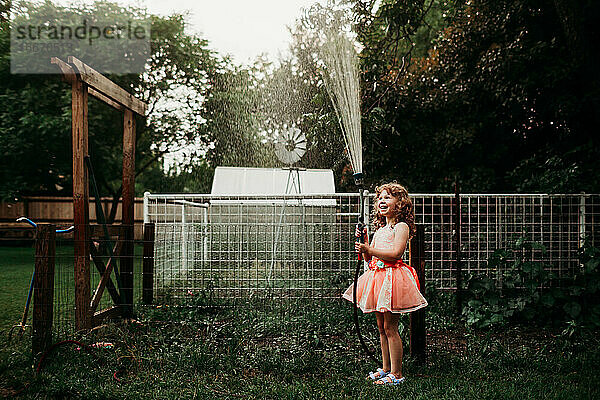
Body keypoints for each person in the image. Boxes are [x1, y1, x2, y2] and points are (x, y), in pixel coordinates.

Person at [342, 182, 428, 386]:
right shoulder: (380, 229)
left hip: (392, 280)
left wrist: (369, 250)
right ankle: (386, 368)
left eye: (388, 197)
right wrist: (364, 247)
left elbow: (396, 254)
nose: (382, 200)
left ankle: (397, 374)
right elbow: (369, 261)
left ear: (400, 203)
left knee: (391, 327)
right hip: (378, 278)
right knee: (381, 327)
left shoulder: (402, 227)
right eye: (380, 197)